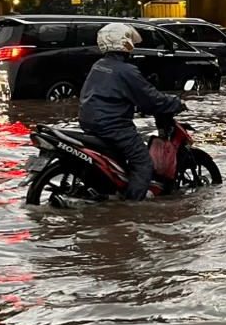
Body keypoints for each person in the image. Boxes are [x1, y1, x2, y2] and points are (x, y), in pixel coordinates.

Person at [79, 23, 185, 201]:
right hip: (113, 126)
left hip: (90, 122)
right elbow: (151, 99)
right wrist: (175, 102)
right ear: (124, 42)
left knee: (122, 157)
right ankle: (132, 208)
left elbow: (112, 95)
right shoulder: (126, 70)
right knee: (143, 163)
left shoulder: (99, 65)